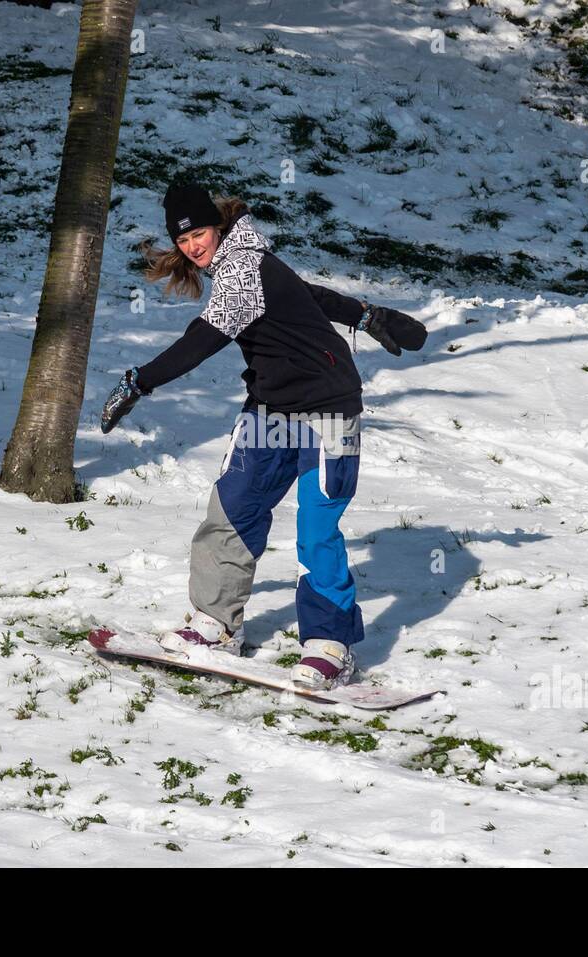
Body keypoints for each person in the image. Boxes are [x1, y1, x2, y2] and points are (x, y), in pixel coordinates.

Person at [101, 181, 427, 689]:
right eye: (183, 240)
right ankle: (215, 622)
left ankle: (330, 644)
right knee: (233, 509)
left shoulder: (243, 269)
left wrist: (138, 382)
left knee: (317, 531)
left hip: (328, 413)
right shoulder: (244, 261)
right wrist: (365, 314)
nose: (192, 246)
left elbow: (203, 340)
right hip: (270, 410)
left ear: (218, 227)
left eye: (200, 233)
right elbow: (309, 294)